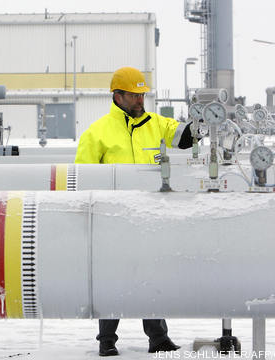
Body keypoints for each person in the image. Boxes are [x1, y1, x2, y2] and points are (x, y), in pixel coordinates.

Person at [75, 67, 194, 356]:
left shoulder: (157, 124)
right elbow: (81, 178)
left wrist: (201, 124)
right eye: (135, 95)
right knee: (112, 277)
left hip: (150, 216)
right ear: (118, 96)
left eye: (143, 95)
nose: (141, 100)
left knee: (149, 275)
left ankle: (158, 338)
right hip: (111, 218)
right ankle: (106, 341)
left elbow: (186, 137)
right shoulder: (98, 133)